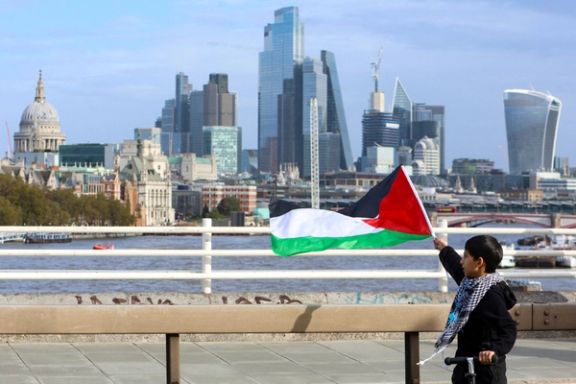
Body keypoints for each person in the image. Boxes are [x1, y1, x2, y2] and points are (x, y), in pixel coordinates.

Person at [433, 235, 517, 384]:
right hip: (465, 367)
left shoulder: (490, 294)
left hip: (486, 371)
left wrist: (494, 350)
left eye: (465, 256)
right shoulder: (471, 284)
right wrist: (444, 249)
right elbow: (455, 267)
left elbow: (508, 328)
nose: (461, 260)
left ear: (479, 262)